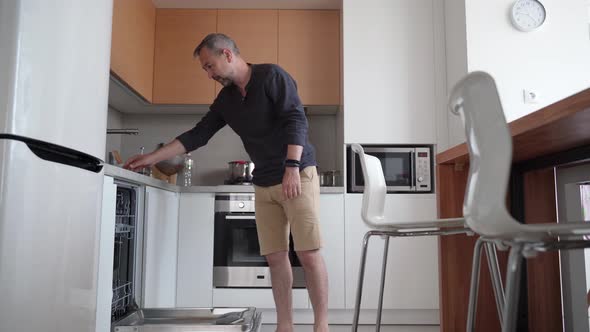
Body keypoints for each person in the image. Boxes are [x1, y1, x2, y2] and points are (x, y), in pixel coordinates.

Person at [123, 33, 329, 332]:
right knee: (276, 257)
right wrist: (151, 158)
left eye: (210, 65)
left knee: (308, 254)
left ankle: (321, 326)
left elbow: (296, 119)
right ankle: (285, 326)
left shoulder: (272, 76)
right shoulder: (227, 100)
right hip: (264, 182)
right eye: (205, 69)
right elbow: (198, 134)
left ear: (228, 55)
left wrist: (292, 166)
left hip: (296, 173)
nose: (209, 74)